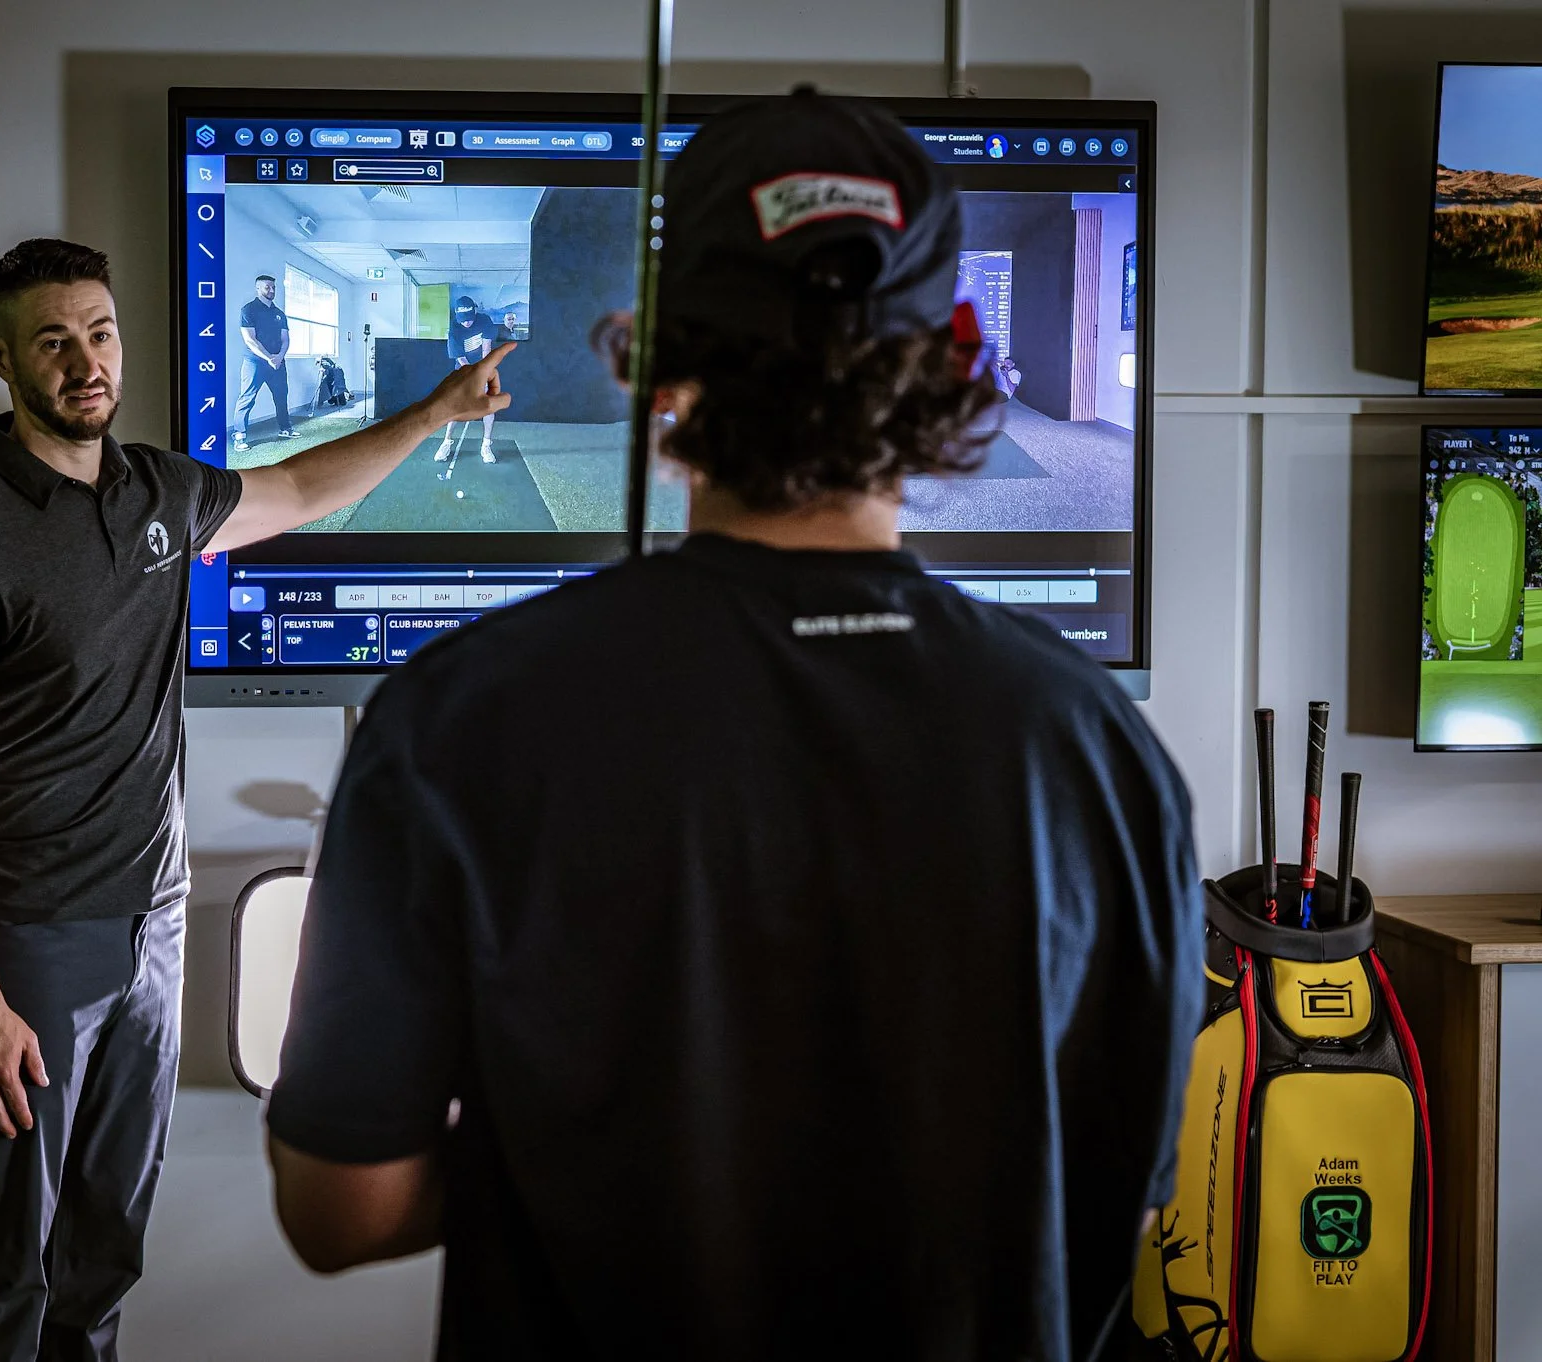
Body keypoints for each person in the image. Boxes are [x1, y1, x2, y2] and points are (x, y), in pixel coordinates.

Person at [264, 91, 1203, 1361]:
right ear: (955, 358)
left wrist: (576, 1145)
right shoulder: (1097, 746)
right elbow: (1119, 1202)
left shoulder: (453, 718)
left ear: (656, 354)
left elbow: (342, 1207)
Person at [0, 237, 510, 1362]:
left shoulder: (159, 490)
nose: (85, 362)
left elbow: (301, 490)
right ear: (1, 358)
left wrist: (433, 413)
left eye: (99, 332)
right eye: (52, 342)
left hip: (156, 927)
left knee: (102, 1255)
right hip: (31, 944)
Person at [233, 273, 293, 453]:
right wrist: (269, 358)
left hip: (278, 362)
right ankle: (239, 435)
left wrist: (279, 356)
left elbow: (285, 339)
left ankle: (285, 428)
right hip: (254, 362)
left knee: (281, 396)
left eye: (273, 287)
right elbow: (250, 339)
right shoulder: (248, 310)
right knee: (247, 397)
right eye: (267, 287)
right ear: (258, 288)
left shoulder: (279, 313)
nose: (271, 290)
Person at [436, 295, 499, 463]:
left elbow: (486, 349)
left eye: (469, 319)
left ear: (475, 311)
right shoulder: (454, 327)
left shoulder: (485, 321)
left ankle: (486, 445)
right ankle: (447, 442)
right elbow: (460, 358)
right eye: (463, 320)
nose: (466, 323)